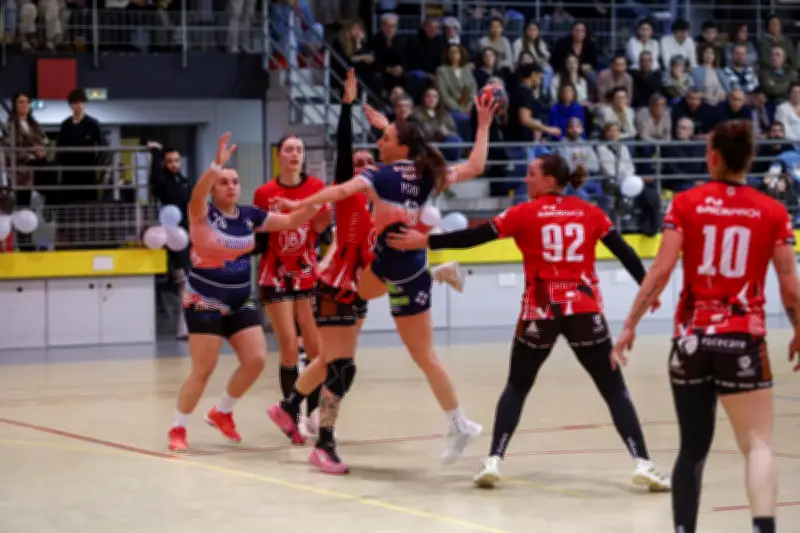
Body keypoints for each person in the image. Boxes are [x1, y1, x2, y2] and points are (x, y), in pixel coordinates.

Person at [388, 153, 671, 491]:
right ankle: (643, 462)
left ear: (550, 180)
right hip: (584, 310)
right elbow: (625, 251)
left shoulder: (524, 213)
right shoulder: (590, 212)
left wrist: (427, 240)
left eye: (532, 173)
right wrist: (647, 289)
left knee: (518, 386)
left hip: (540, 311)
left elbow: (475, 238)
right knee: (613, 388)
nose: (525, 179)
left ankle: (493, 460)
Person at [275, 94, 498, 463]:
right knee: (423, 357)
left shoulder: (380, 175)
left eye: (384, 139)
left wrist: (299, 203)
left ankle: (308, 422)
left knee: (345, 334)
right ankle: (458, 422)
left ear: (402, 146)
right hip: (407, 269)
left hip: (386, 267)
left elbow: (341, 189)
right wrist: (484, 124)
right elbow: (475, 165)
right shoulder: (429, 173)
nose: (377, 145)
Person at [612, 120, 800, 533]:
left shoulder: (686, 203)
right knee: (758, 444)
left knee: (692, 451)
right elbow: (789, 286)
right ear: (749, 158)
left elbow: (661, 270)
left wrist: (629, 325)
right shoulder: (773, 212)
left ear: (713, 156)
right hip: (743, 339)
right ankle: (763, 528)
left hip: (692, 341)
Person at [168, 132, 319, 452]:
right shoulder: (203, 212)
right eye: (224, 182)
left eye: (235, 181)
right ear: (213, 187)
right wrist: (215, 166)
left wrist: (318, 199)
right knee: (203, 370)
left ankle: (221, 412)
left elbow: (292, 219)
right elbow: (195, 197)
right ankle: (178, 428)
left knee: (256, 360)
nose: (231, 187)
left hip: (239, 298)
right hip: (204, 300)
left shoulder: (250, 216)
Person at [253, 135, 332, 434]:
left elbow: (323, 228)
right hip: (275, 274)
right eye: (289, 150)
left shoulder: (316, 188)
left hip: (308, 273)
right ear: (279, 155)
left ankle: (313, 412)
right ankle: (292, 415)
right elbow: (260, 238)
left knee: (315, 349)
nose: (295, 154)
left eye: (300, 149)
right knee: (288, 347)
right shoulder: (264, 193)